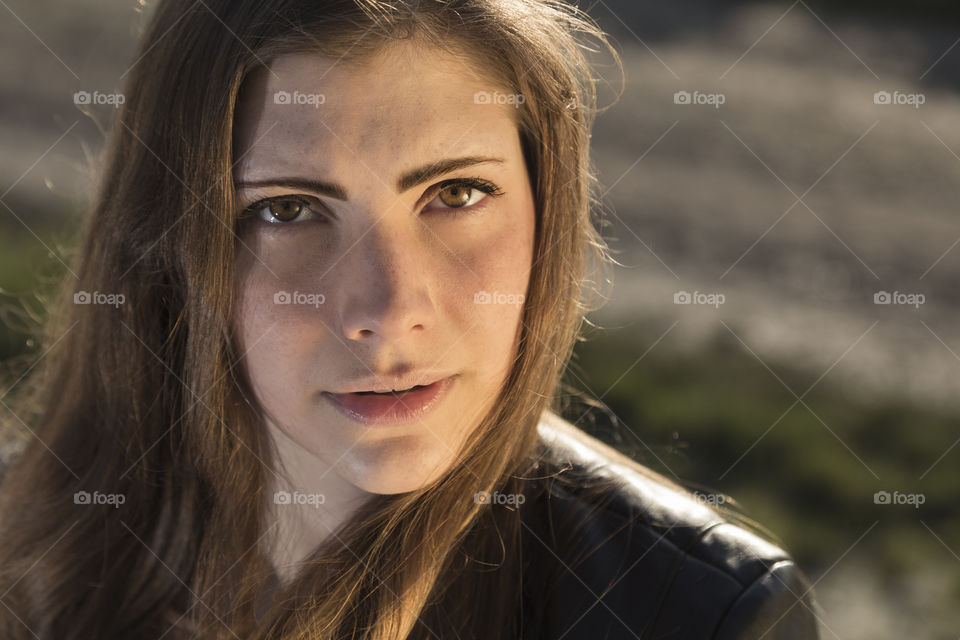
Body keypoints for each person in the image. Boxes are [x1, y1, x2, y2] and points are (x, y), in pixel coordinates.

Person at [0, 0, 820, 638]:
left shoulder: (699, 615)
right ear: (167, 243)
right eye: (289, 209)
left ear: (549, 209)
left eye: (457, 194)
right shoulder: (22, 538)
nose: (389, 313)